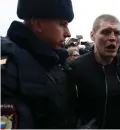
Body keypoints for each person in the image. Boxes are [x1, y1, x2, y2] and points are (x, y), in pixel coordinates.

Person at [1, 0, 77, 128]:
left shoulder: (55, 59)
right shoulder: (8, 69)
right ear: (38, 25)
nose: (68, 33)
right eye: (62, 24)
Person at [71, 14, 120, 129]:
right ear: (92, 36)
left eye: (117, 33)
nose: (112, 38)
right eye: (106, 32)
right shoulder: (76, 68)